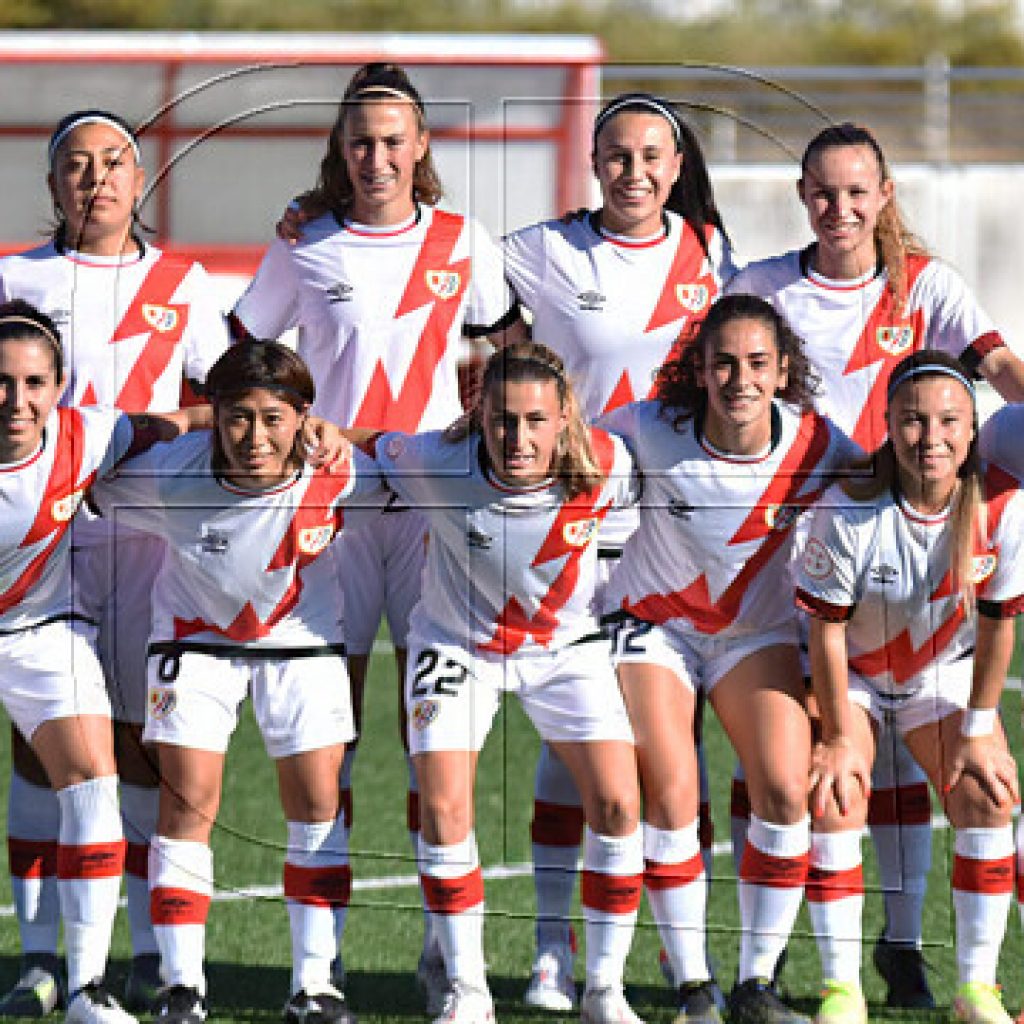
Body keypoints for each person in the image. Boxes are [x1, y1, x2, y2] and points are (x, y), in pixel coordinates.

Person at [231, 63, 519, 1012]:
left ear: (423, 144)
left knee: (434, 742)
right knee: (328, 745)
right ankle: (319, 972)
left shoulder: (461, 241)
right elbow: (239, 362)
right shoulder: (304, 243)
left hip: (434, 519)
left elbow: (509, 355)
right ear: (339, 149)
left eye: (395, 140)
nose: (377, 157)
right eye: (361, 141)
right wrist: (280, 423)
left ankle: (451, 964)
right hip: (332, 519)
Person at [726, 121, 1024, 1007]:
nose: (840, 208)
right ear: (802, 197)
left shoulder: (924, 285)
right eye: (823, 191)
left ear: (884, 196)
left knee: (911, 773)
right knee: (790, 773)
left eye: (858, 192)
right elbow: (721, 383)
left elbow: (995, 362)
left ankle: (904, 951)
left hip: (918, 531)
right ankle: (768, 959)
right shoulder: (764, 288)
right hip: (797, 544)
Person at [500, 90, 737, 1015]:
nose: (633, 172)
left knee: (682, 757)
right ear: (592, 162)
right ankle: (555, 954)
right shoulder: (540, 250)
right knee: (574, 751)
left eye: (651, 157)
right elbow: (430, 265)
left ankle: (692, 967)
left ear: (677, 168)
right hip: (576, 534)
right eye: (616, 156)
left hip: (679, 534)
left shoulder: (714, 255)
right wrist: (319, 210)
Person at [0, 108, 229, 1015]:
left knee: (137, 741)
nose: (96, 179)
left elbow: (221, 397)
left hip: (142, 542)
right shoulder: (16, 274)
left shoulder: (186, 280)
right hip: (40, 544)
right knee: (37, 747)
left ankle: (135, 946)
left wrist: (148, 436)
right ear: (53, 184)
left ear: (142, 182)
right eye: (77, 166)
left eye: (114, 164)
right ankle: (40, 953)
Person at [89, 340, 382, 1024]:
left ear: (304, 418)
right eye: (237, 417)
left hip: (302, 645)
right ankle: (181, 985)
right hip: (195, 645)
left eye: (274, 418)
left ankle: (315, 986)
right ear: (216, 415)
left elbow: (411, 457)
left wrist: (345, 433)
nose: (255, 436)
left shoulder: (337, 470)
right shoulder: (167, 473)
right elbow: (92, 474)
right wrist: (186, 420)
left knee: (316, 804)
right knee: (186, 803)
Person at [598, 294, 857, 1024]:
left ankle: (755, 986)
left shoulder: (817, 444)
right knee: (673, 791)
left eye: (757, 364)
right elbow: (564, 446)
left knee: (782, 786)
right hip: (655, 631)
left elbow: (886, 486)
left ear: (783, 373)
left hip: (756, 636)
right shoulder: (647, 429)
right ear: (699, 371)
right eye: (723, 363)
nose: (740, 379)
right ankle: (692, 991)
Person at [369, 340, 643, 1024]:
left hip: (564, 648)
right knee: (445, 809)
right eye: (501, 419)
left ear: (562, 419)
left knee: (617, 806)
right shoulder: (436, 461)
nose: (517, 438)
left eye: (533, 420)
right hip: (457, 647)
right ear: (478, 414)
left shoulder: (607, 467)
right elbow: (371, 444)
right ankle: (468, 988)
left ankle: (605, 990)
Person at [795, 350, 1023, 1024]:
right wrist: (837, 737)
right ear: (889, 425)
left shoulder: (1004, 508)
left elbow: (998, 629)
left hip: (939, 676)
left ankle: (976, 989)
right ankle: (842, 990)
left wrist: (979, 731)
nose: (932, 438)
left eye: (949, 421)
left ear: (973, 429)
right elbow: (827, 635)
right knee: (834, 794)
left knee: (987, 792)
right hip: (856, 678)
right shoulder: (848, 508)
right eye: (913, 421)